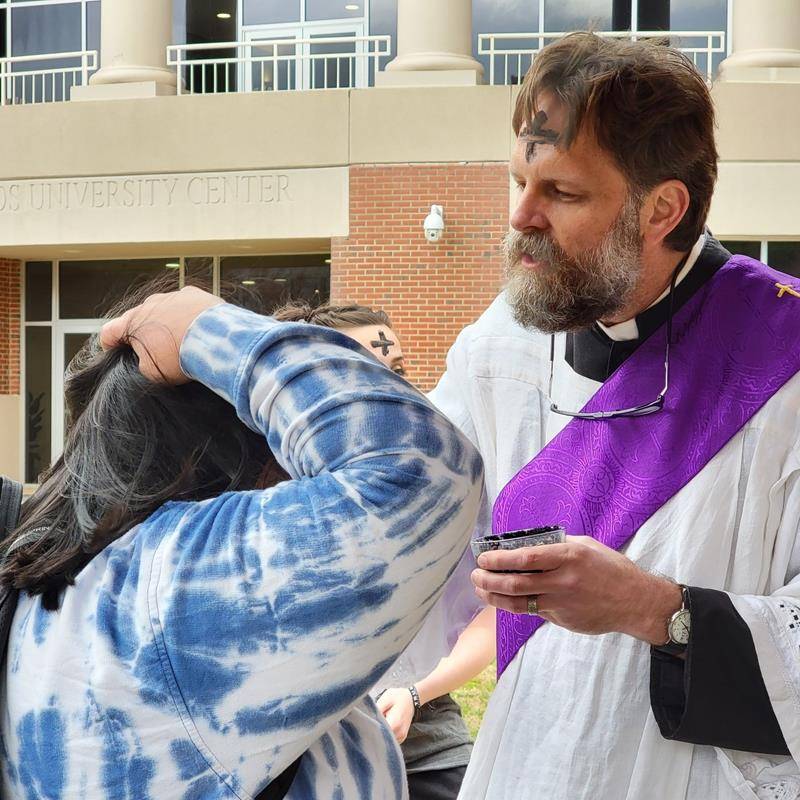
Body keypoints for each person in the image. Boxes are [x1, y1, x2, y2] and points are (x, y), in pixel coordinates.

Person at [425, 33, 800, 800]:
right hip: (522, 764)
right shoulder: (500, 345)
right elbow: (404, 513)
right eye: (518, 181)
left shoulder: (785, 356)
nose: (522, 217)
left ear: (664, 207)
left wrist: (655, 610)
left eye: (561, 193)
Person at [0, 285, 483, 799]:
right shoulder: (179, 581)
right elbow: (420, 468)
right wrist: (204, 330)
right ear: (226, 443)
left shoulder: (79, 572)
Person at [273, 300, 496, 800]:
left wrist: (416, 694)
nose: (391, 389)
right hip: (300, 748)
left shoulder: (441, 478)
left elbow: (495, 609)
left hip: (424, 730)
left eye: (397, 370)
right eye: (368, 371)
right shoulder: (268, 493)